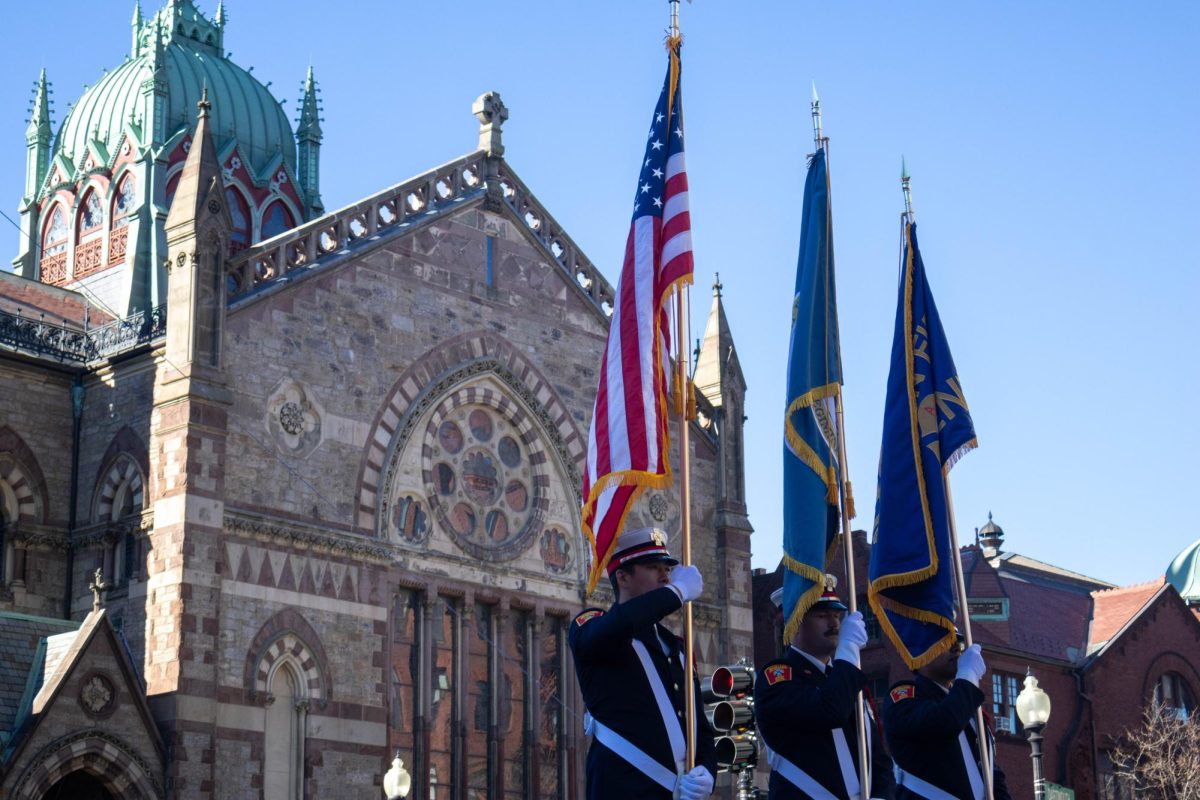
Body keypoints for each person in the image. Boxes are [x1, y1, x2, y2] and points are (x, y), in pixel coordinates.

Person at [569, 526, 717, 800]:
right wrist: (676, 593)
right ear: (622, 577)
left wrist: (707, 770)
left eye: (668, 569)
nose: (665, 576)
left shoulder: (677, 648)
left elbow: (701, 731)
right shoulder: (594, 628)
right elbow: (623, 622)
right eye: (652, 567)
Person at [754, 575, 895, 799]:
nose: (834, 623)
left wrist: (881, 796)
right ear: (796, 623)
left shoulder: (843, 677)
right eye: (822, 615)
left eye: (836, 615)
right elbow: (830, 711)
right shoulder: (778, 678)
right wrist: (848, 650)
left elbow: (878, 757)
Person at [883, 636, 1012, 800]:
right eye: (944, 641)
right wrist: (968, 676)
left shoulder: (967, 707)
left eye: (957, 641)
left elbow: (991, 775)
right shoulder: (904, 699)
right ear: (919, 653)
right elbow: (944, 722)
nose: (956, 647)